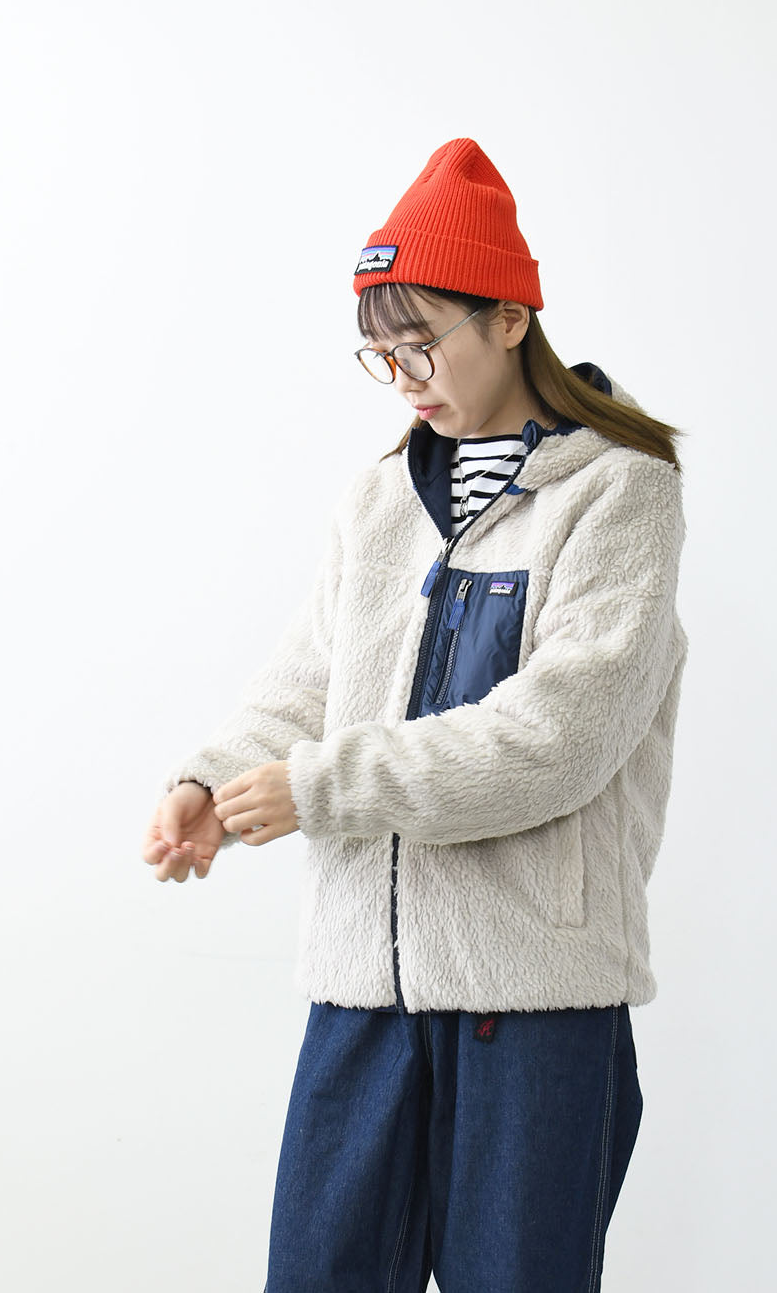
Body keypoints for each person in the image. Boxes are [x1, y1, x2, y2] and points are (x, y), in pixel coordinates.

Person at [142, 137, 689, 1292]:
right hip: (362, 997)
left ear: (509, 318)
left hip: (534, 1002)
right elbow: (305, 683)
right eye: (380, 354)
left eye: (421, 342)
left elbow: (559, 736)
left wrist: (321, 787)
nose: (402, 377)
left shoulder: (620, 493)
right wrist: (211, 780)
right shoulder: (381, 498)